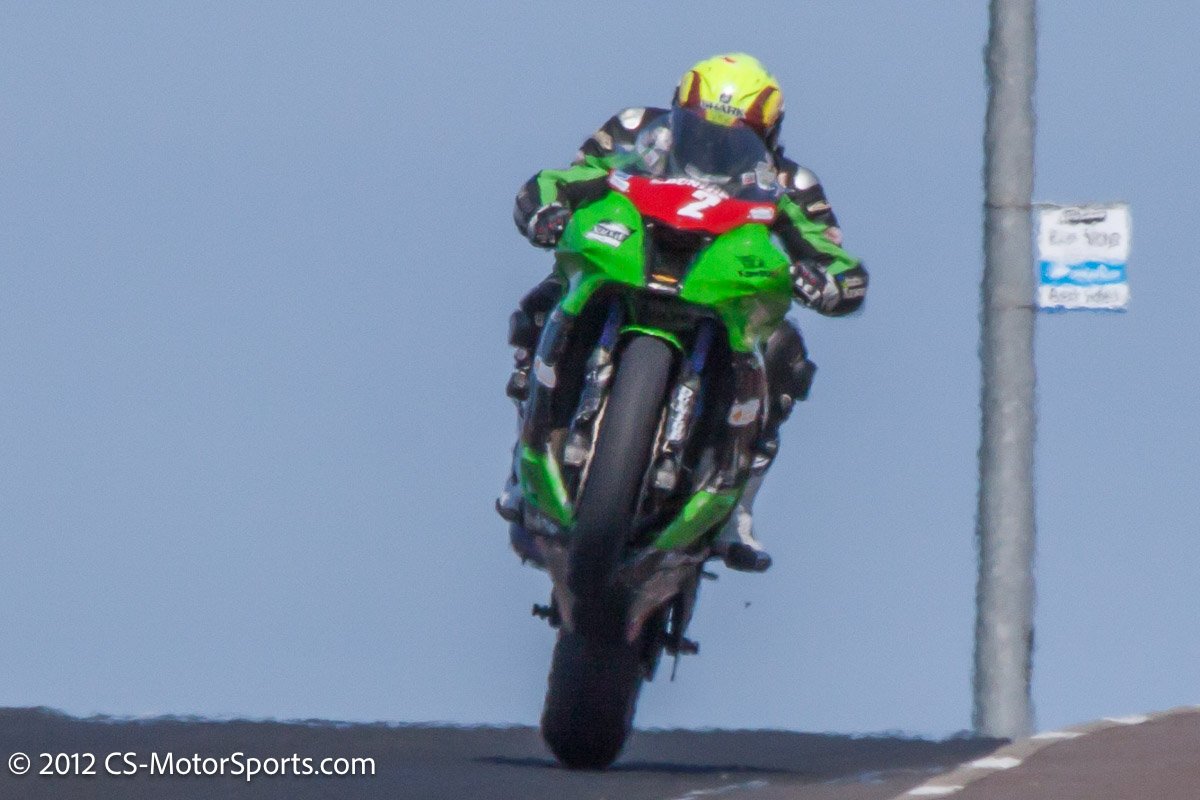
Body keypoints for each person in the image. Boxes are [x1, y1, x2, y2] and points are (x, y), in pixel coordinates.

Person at [499, 53, 867, 572]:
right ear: (678, 109)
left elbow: (830, 251)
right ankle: (523, 459)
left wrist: (825, 280)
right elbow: (572, 175)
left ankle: (739, 508)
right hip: (635, 249)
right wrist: (546, 210)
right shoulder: (634, 130)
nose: (713, 146)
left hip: (721, 280)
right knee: (543, 300)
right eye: (699, 129)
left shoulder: (792, 182)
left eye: (738, 137)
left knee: (786, 352)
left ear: (768, 134)